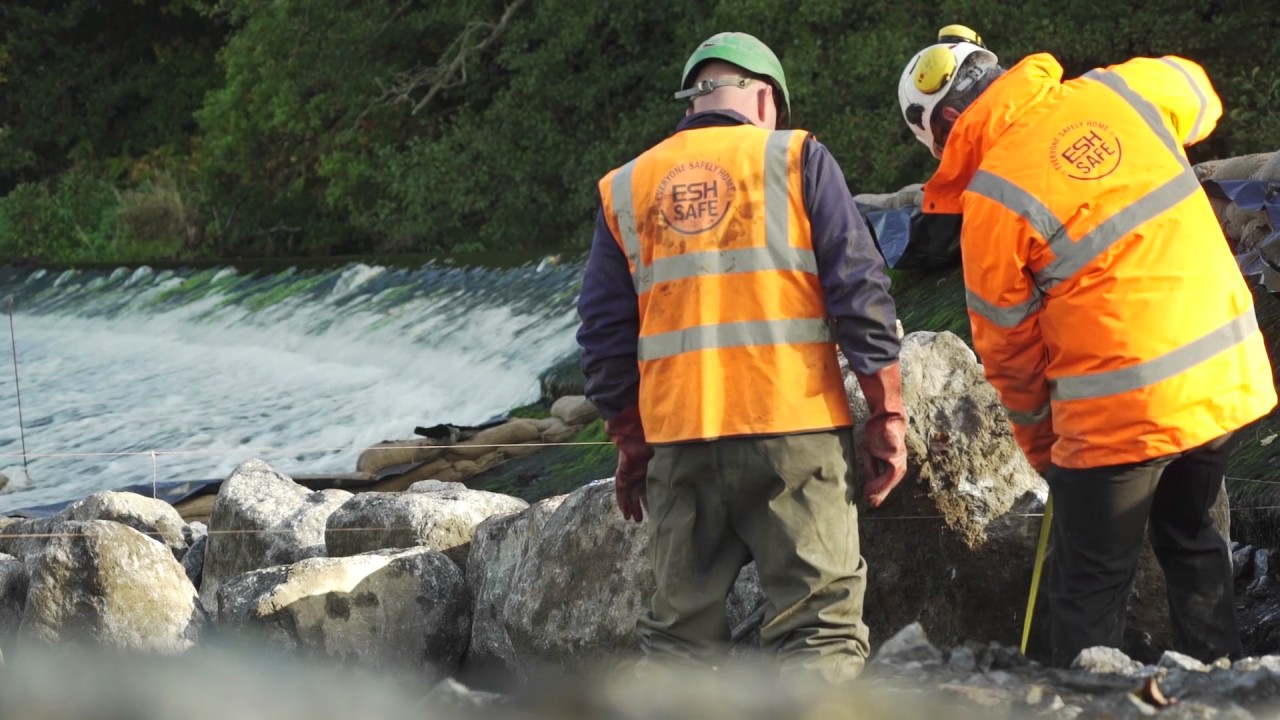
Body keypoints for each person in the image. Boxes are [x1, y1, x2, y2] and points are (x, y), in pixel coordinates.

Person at [895, 30, 1278, 666]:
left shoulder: (992, 200)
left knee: (1089, 584)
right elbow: (1200, 95)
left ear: (952, 122)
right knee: (1192, 538)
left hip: (1118, 417)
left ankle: (1088, 701)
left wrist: (1048, 455)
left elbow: (1010, 357)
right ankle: (1228, 694)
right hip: (1223, 377)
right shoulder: (1117, 90)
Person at [576, 31, 908, 682]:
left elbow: (604, 335)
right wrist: (887, 413)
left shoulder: (626, 187)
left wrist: (632, 444)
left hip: (680, 441)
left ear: (693, 101)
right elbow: (860, 292)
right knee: (819, 631)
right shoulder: (796, 157)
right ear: (764, 100)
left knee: (679, 644)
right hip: (795, 432)